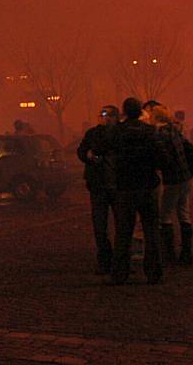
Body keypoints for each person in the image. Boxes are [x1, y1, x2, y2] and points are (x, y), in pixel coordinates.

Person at [100, 96, 168, 285]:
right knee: (151, 230)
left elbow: (103, 148)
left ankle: (120, 273)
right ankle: (154, 272)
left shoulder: (117, 132)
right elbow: (162, 157)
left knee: (123, 231)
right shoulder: (150, 131)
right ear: (140, 112)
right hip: (147, 185)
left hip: (125, 186)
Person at [148, 103, 193, 265]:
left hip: (172, 178)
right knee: (184, 214)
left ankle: (170, 254)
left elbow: (162, 157)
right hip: (186, 176)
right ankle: (187, 252)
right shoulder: (175, 130)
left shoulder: (158, 133)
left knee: (165, 215)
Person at [76, 105, 118, 275]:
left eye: (107, 114)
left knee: (121, 223)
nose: (103, 117)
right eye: (101, 114)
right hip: (98, 184)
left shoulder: (118, 133)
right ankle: (105, 259)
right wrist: (87, 156)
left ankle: (119, 259)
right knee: (100, 225)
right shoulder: (92, 133)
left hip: (117, 184)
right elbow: (81, 150)